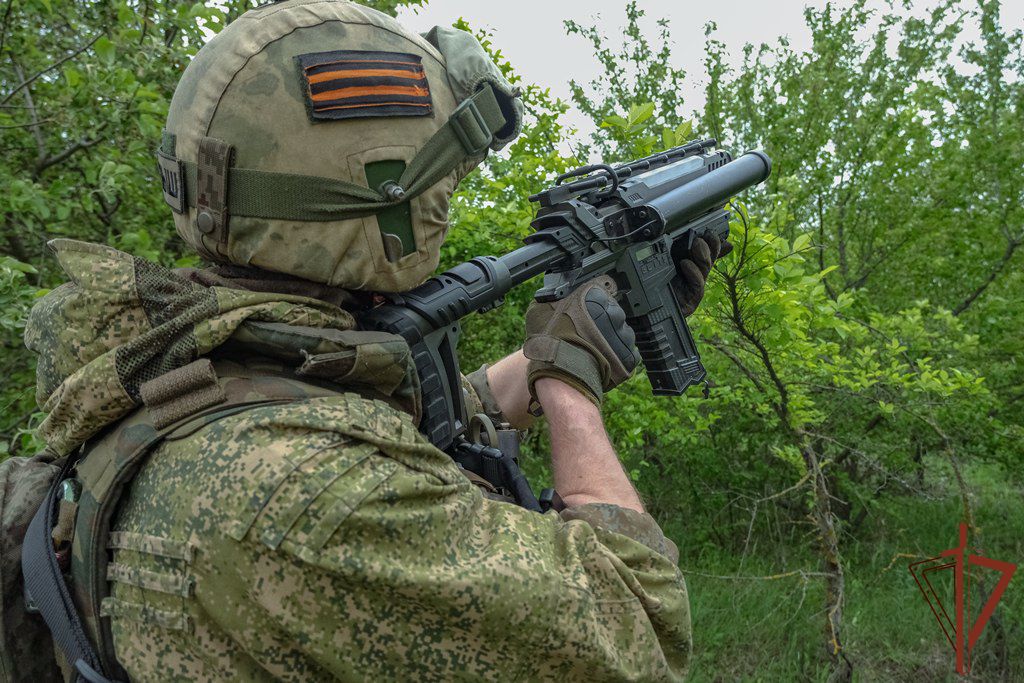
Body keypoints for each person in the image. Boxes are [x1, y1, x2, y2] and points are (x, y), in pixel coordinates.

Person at [23, 0, 728, 680]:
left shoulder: (183, 361)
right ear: (392, 208)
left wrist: (575, 341)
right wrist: (570, 390)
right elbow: (638, 630)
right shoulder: (317, 494)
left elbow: (419, 421)